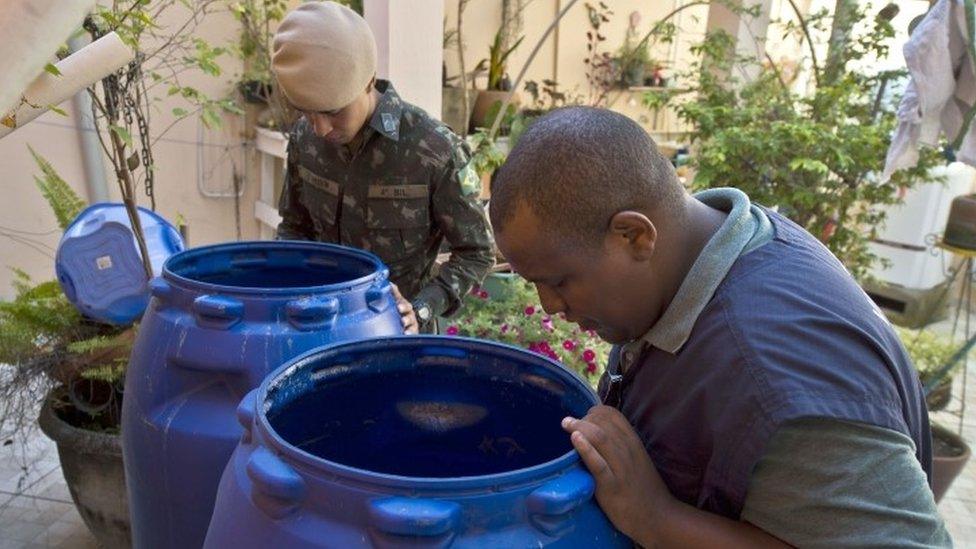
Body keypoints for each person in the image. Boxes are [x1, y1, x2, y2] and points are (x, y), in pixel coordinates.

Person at [489, 106, 952, 547]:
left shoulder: (778, 376)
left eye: (558, 281)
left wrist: (657, 520)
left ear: (634, 235)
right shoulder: (714, 246)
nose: (548, 307)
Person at [271, 1, 494, 333]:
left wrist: (420, 309)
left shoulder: (433, 150)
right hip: (315, 330)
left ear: (368, 81)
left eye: (332, 111)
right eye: (306, 111)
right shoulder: (305, 139)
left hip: (395, 337)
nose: (319, 128)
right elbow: (294, 227)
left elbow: (477, 252)